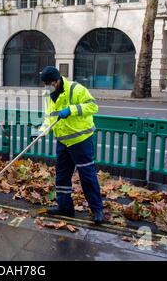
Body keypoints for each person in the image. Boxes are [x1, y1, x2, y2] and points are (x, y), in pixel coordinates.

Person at [34, 66, 104, 224]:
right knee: (62, 175)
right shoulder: (49, 94)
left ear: (57, 80)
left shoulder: (76, 89)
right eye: (45, 83)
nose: (47, 86)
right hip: (63, 141)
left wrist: (71, 110)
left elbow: (93, 107)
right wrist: (41, 131)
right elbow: (49, 117)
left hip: (81, 141)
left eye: (49, 83)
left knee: (87, 176)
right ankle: (65, 206)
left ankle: (97, 210)